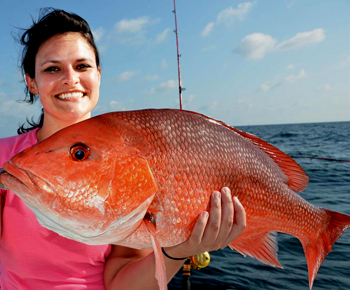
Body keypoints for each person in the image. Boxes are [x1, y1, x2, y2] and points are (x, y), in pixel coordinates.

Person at [0, 8, 246, 289]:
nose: (70, 78)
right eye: (52, 68)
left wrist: (178, 251)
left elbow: (121, 283)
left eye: (82, 66)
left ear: (99, 74)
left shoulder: (131, 151)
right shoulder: (8, 159)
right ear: (31, 81)